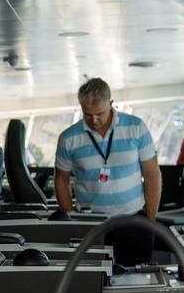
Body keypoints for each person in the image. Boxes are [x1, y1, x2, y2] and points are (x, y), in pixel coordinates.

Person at [54, 78, 161, 266]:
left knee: (135, 283)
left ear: (111, 104)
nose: (94, 120)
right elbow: (61, 179)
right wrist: (70, 216)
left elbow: (152, 174)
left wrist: (150, 220)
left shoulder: (136, 128)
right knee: (92, 284)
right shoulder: (69, 138)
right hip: (89, 224)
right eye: (87, 114)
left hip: (133, 221)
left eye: (99, 114)